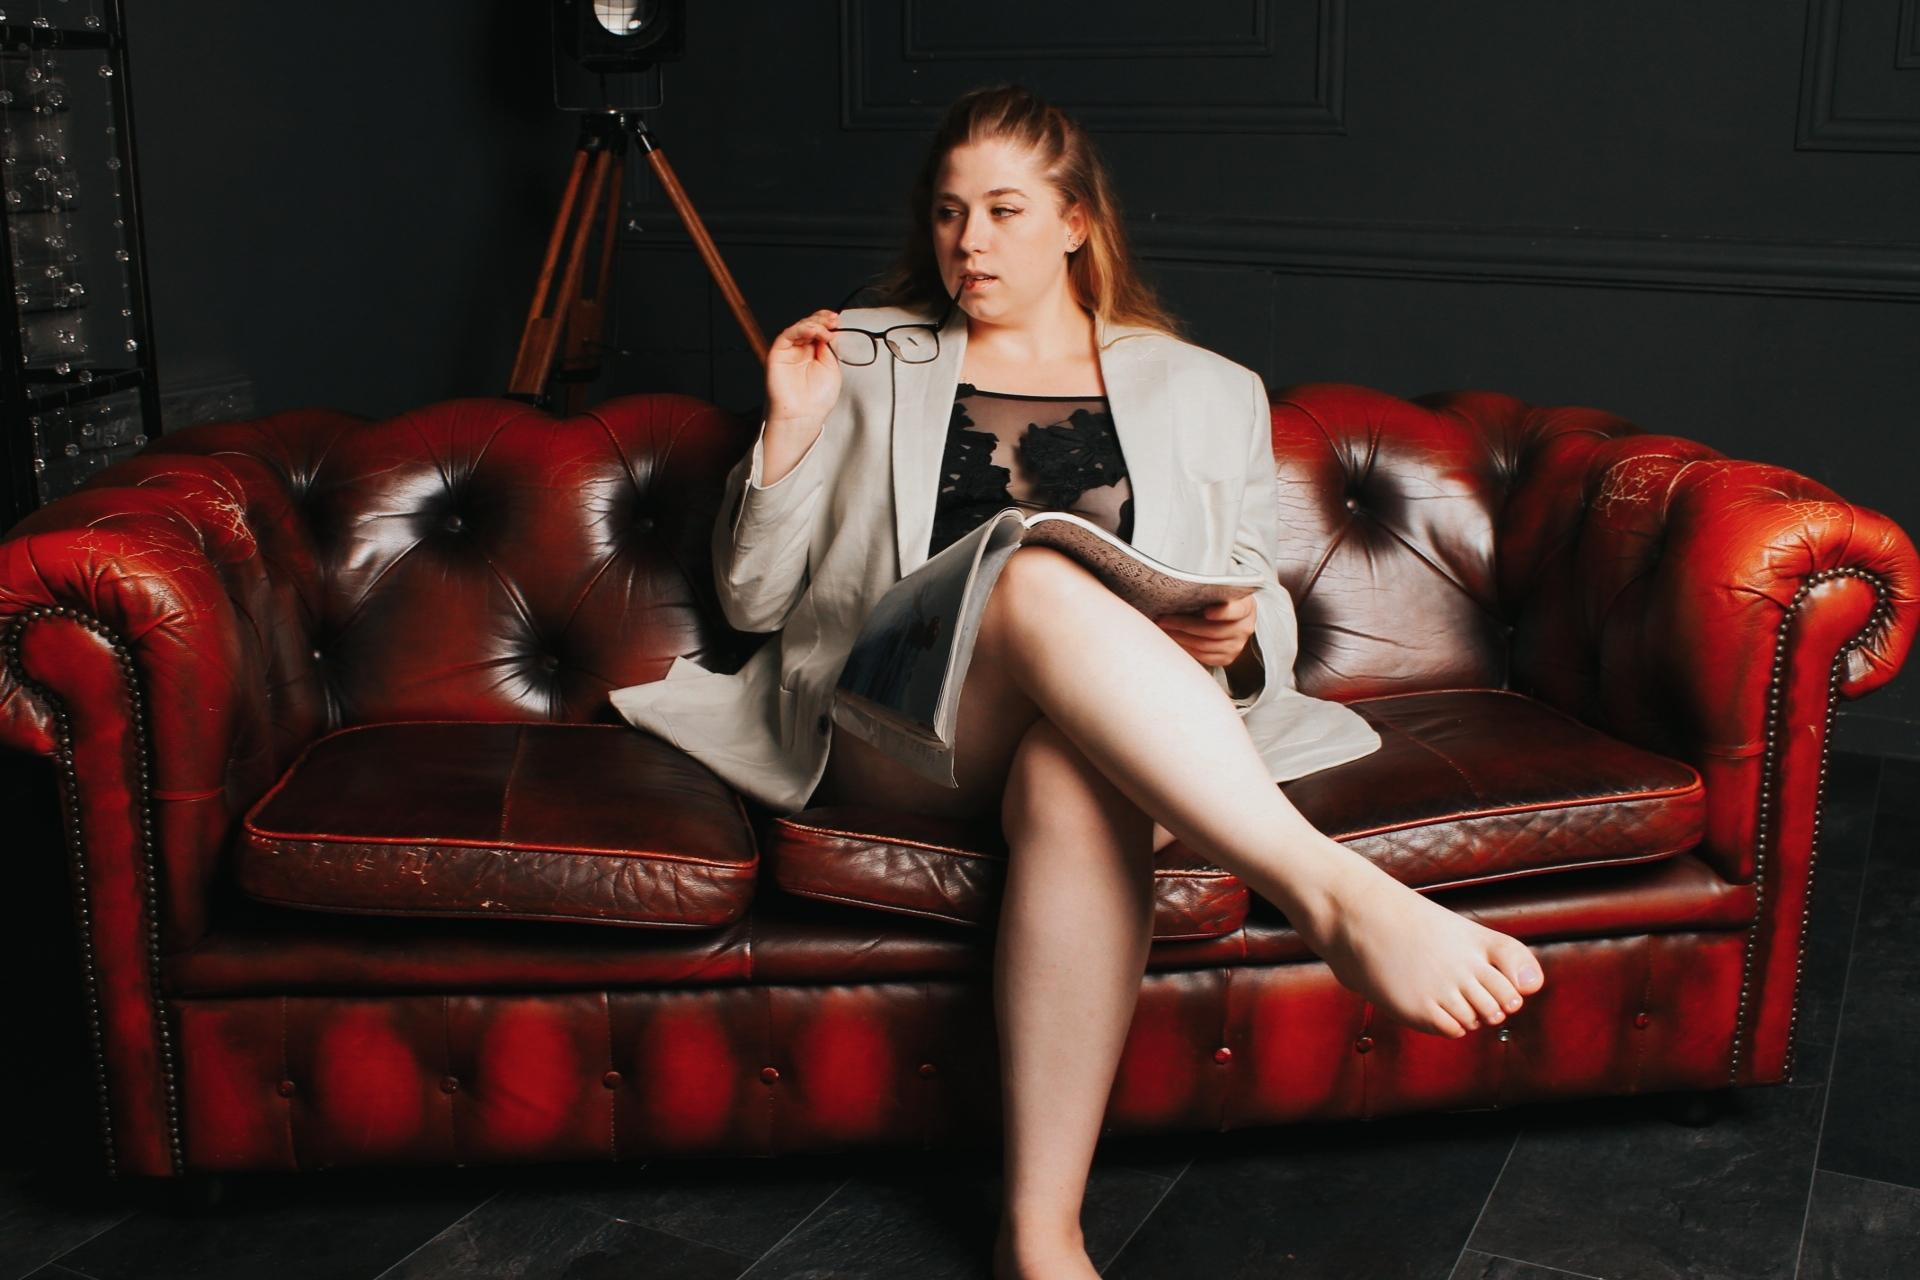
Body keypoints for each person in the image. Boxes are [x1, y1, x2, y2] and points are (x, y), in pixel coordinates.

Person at [613, 83, 1546, 1280]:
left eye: (1005, 211)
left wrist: (1232, 632)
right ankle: (1334, 894)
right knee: (1035, 572)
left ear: (1074, 222)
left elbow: (1257, 595)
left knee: (1077, 769)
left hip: (1103, 728)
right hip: (899, 727)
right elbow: (751, 602)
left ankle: (1040, 1234)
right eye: (950, 212)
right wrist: (790, 430)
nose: (971, 242)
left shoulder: (1210, 388)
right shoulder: (864, 355)